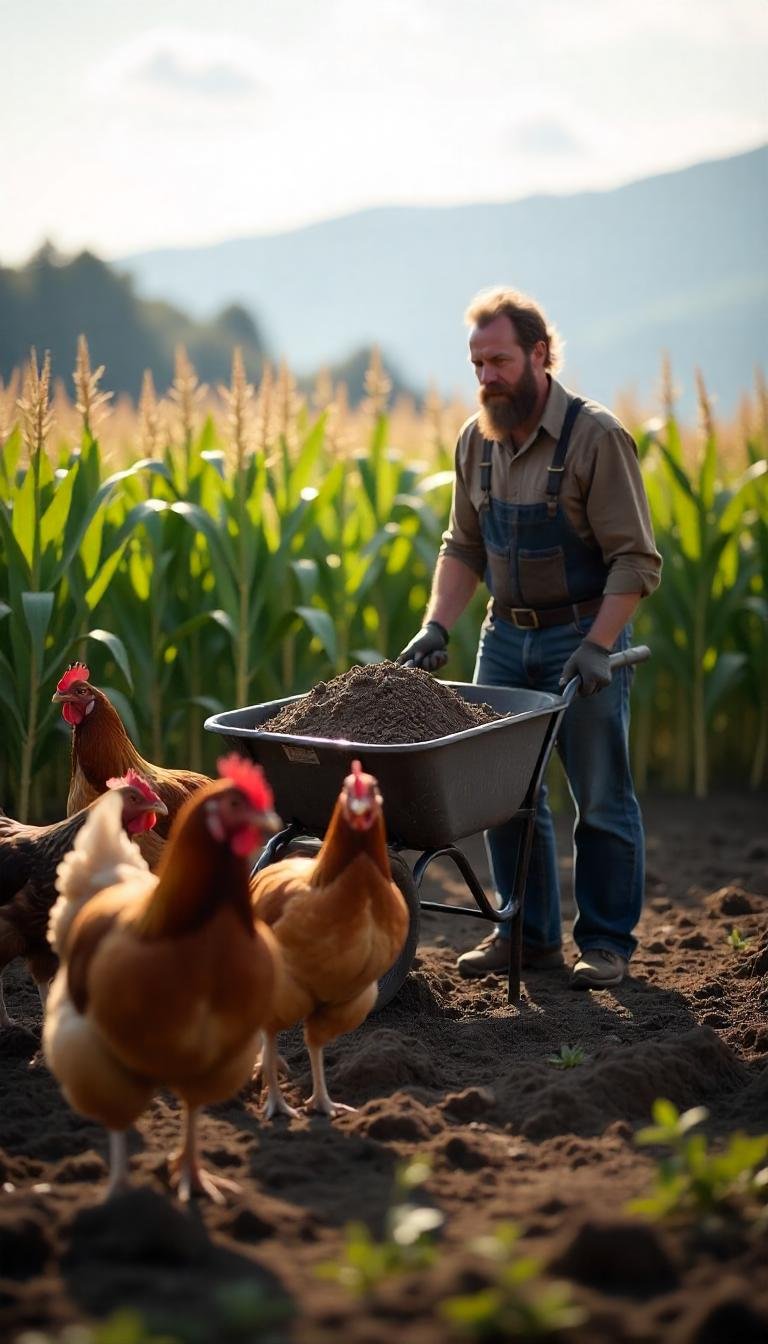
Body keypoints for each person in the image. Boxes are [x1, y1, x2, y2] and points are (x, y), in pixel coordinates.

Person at [397, 288, 661, 990]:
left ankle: (605, 944)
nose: (486, 376)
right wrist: (436, 625)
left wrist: (600, 643)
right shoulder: (474, 441)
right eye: (477, 363)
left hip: (582, 635)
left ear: (541, 354)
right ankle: (530, 937)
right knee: (503, 795)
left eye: (500, 361)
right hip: (504, 640)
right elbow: (463, 546)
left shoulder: (594, 437)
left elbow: (635, 560)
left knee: (600, 795)